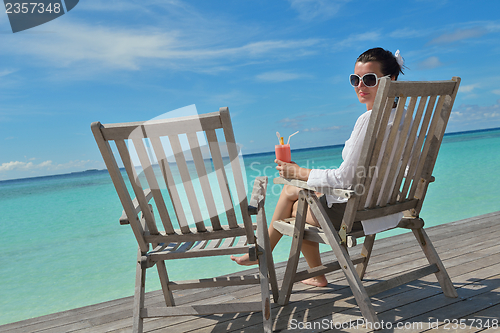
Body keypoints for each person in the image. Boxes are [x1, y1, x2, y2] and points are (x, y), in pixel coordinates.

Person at [231, 47, 405, 287]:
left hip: (359, 212)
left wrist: (298, 172)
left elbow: (344, 180)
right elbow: (371, 173)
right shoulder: (405, 116)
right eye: (355, 79)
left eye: (369, 79)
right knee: (295, 193)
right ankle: (290, 262)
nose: (360, 85)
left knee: (295, 208)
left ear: (391, 80)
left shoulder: (369, 120)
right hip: (390, 205)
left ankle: (269, 255)